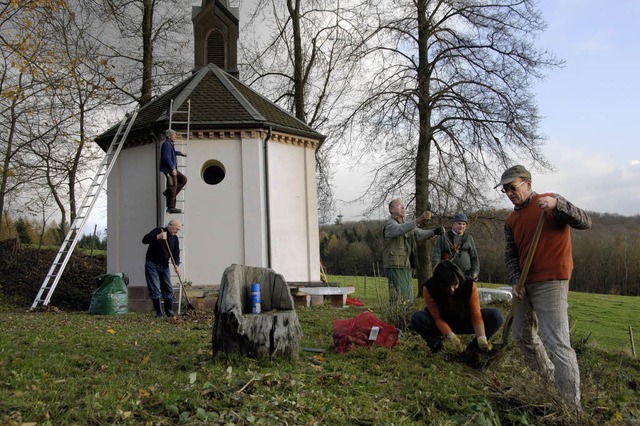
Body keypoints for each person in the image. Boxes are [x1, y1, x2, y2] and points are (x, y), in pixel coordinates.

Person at [497, 164, 591, 410]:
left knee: (557, 342)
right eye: (505, 190)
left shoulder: (549, 203)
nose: (509, 193)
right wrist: (516, 279)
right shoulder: (511, 221)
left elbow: (585, 221)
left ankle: (571, 406)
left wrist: (558, 206)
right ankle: (549, 382)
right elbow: (511, 254)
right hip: (525, 285)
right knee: (522, 336)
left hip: (552, 280)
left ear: (528, 183)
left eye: (513, 187)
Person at [411, 260, 504, 353]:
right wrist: (450, 336)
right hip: (443, 322)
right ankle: (438, 348)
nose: (451, 290)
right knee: (418, 318)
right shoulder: (429, 288)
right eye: (447, 287)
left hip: (466, 320)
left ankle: (474, 349)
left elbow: (476, 315)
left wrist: (482, 338)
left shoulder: (469, 285)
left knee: (496, 316)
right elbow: (437, 318)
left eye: (454, 284)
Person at [382, 199, 444, 304]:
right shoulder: (390, 225)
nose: (403, 208)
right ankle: (398, 318)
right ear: (391, 209)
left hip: (405, 265)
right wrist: (420, 219)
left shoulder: (405, 224)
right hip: (395, 266)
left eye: (403, 206)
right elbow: (401, 229)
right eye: (399, 206)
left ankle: (404, 317)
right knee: (400, 298)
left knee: (407, 297)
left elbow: (419, 234)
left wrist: (434, 232)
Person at [142, 219, 182, 317]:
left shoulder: (175, 239)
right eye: (176, 229)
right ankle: (159, 313)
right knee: (155, 288)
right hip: (152, 264)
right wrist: (158, 237)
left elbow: (175, 254)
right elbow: (144, 240)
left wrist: (176, 265)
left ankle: (169, 311)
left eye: (178, 230)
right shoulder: (159, 231)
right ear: (170, 225)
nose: (177, 231)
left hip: (164, 266)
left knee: (168, 288)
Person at [431, 212, 480, 280]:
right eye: (459, 223)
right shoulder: (443, 237)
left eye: (464, 224)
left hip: (466, 276)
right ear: (453, 224)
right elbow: (436, 255)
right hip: (447, 275)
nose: (461, 226)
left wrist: (475, 273)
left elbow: (474, 258)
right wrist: (437, 270)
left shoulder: (469, 238)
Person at [160, 129, 187, 214]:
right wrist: (172, 168)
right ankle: (171, 207)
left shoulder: (169, 145)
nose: (175, 137)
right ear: (169, 136)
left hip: (172, 168)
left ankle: (168, 193)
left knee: (183, 180)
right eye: (174, 135)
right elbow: (166, 157)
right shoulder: (166, 144)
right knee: (173, 187)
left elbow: (171, 153)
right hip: (169, 169)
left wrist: (179, 153)